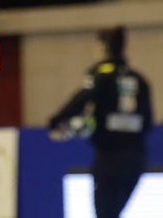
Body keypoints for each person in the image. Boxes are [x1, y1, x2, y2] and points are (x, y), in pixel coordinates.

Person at [49, 25, 153, 218]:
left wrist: (56, 121)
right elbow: (147, 122)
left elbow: (81, 99)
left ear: (103, 46)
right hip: (136, 160)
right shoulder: (140, 80)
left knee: (105, 213)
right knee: (113, 213)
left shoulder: (101, 75)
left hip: (109, 159)